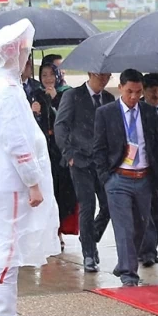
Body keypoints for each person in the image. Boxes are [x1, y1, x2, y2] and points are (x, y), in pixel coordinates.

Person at [0, 19, 61, 316]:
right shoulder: (6, 92)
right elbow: (16, 142)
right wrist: (33, 181)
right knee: (7, 246)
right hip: (10, 181)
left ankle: (4, 313)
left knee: (3, 243)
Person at [93, 69, 158, 286]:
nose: (134, 97)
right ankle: (129, 275)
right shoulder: (106, 113)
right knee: (124, 227)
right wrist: (105, 178)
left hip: (144, 177)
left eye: (138, 92)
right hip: (119, 178)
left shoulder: (148, 111)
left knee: (141, 226)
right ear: (120, 88)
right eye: (129, 92)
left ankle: (125, 261)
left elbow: (157, 146)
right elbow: (99, 148)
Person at [55, 69, 114, 272]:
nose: (104, 80)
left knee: (109, 205)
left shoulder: (108, 98)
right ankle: (88, 254)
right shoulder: (73, 95)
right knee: (88, 205)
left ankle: (90, 237)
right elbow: (61, 125)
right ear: (90, 74)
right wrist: (68, 154)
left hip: (102, 162)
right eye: (100, 76)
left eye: (107, 76)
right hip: (80, 160)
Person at [30, 63, 77, 244]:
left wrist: (55, 100)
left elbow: (66, 121)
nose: (48, 79)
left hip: (61, 149)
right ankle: (49, 231)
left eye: (51, 74)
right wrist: (35, 113)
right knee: (47, 190)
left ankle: (60, 230)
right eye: (44, 75)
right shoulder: (36, 94)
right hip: (45, 149)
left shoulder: (66, 94)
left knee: (62, 191)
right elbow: (34, 125)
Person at [140, 72, 158, 266]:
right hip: (142, 166)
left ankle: (152, 247)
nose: (157, 95)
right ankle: (147, 250)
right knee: (145, 211)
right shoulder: (137, 111)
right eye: (152, 91)